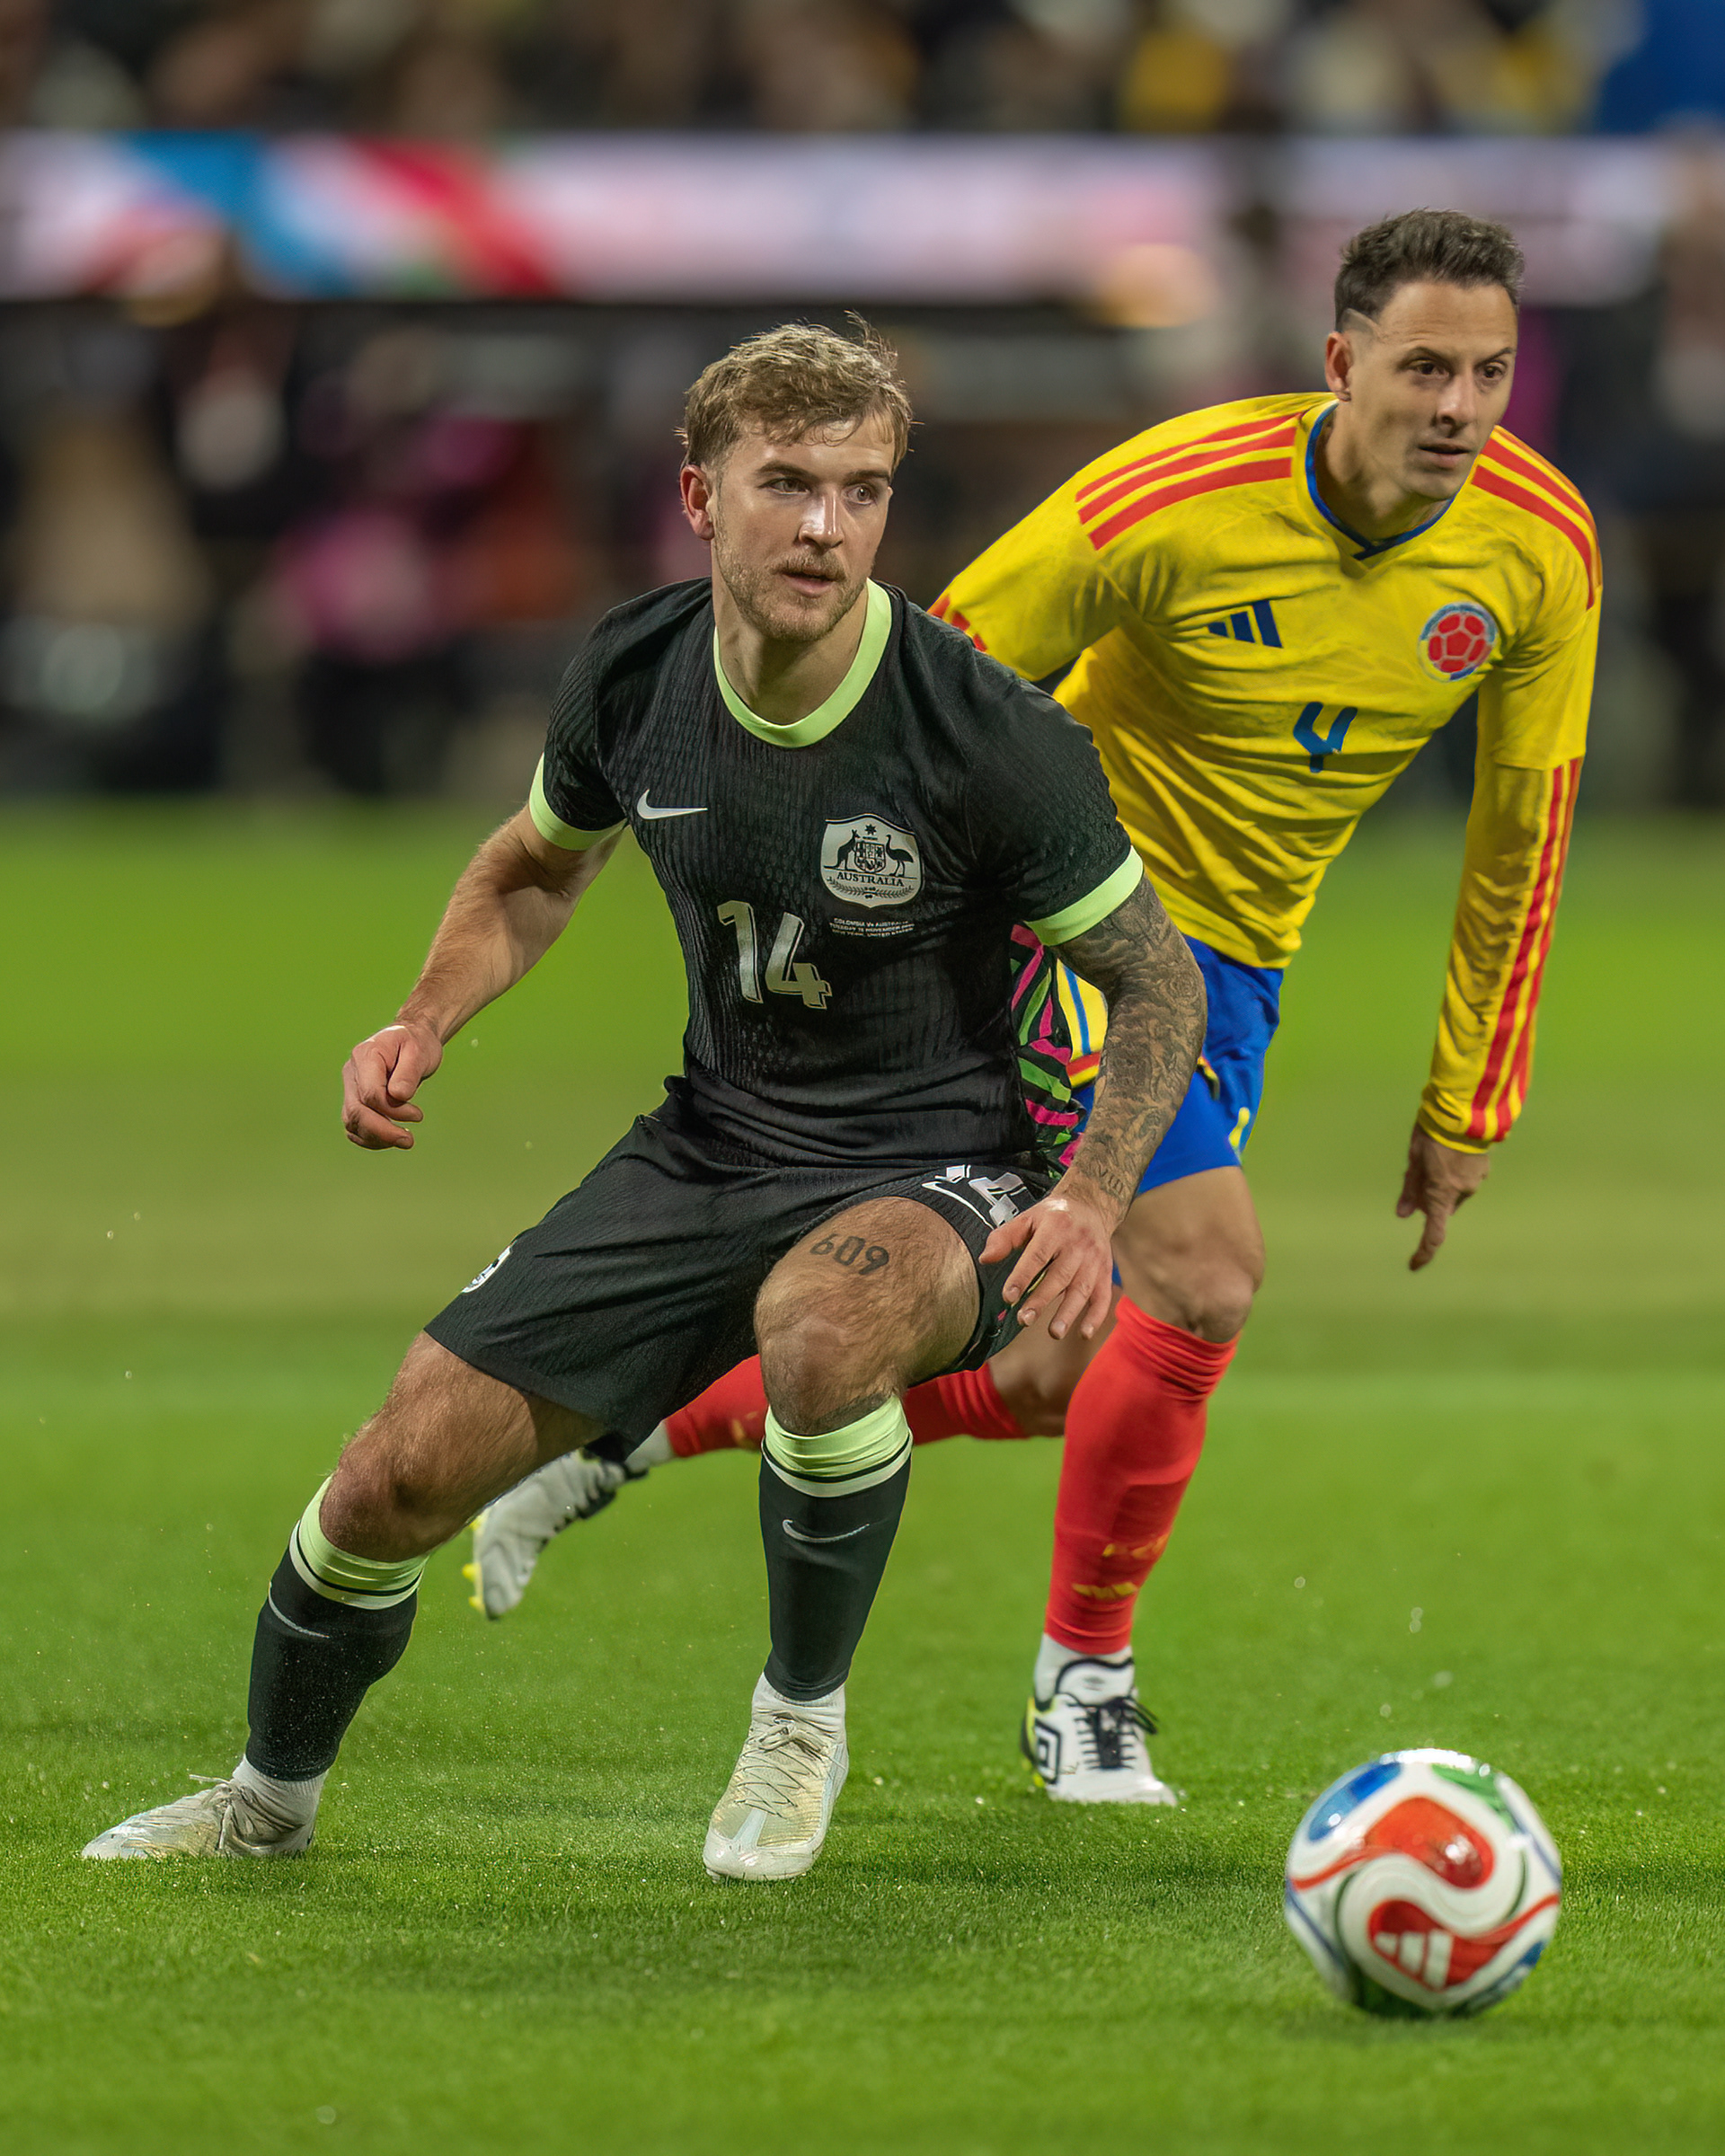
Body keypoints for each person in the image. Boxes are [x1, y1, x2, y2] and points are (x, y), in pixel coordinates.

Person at [473, 209, 1599, 1807]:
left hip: (1240, 972)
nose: (1460, 409)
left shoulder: (1540, 548)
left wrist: (1470, 1095)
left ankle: (634, 1431)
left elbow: (1525, 831)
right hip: (1067, 931)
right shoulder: (1170, 502)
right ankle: (1085, 1690)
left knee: (1059, 1372)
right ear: (1342, 362)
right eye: (1425, 368)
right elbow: (932, 665)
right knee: (1204, 1279)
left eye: (1489, 373)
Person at [83, 322, 1205, 1879]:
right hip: (707, 1145)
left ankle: (797, 1726)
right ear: (701, 492)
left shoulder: (988, 734)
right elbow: (537, 868)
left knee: (821, 1333)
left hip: (939, 1163)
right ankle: (264, 1806)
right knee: (389, 1481)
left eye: (864, 491)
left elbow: (1162, 982)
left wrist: (1086, 1194)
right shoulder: (634, 668)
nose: (826, 526)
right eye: (789, 484)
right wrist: (424, 1020)